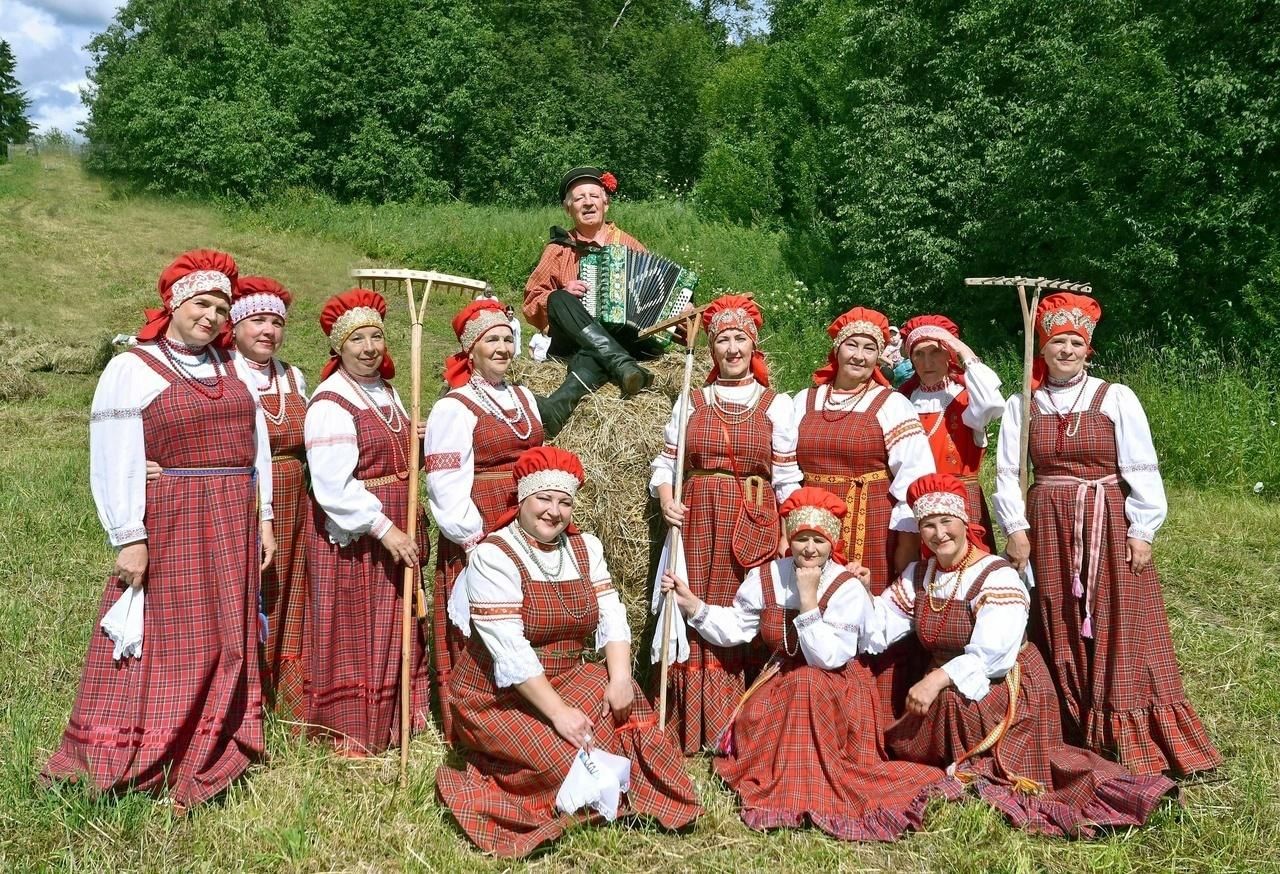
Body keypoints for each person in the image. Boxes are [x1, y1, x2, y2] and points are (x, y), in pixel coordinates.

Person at [43, 249, 274, 811]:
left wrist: (264, 516)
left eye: (222, 307)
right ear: (173, 304)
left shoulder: (230, 368)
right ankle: (145, 746)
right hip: (171, 521)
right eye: (202, 303)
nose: (213, 316)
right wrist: (129, 534)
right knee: (171, 634)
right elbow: (114, 454)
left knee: (225, 634)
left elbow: (256, 445)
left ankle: (212, 735)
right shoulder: (132, 367)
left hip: (231, 515)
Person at [868, 474, 1178, 835]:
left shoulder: (995, 575)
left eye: (947, 522)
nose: (939, 534)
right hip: (951, 678)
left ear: (965, 522)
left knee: (955, 700)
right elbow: (878, 627)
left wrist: (936, 678)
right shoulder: (921, 574)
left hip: (1006, 682)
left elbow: (995, 654)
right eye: (929, 525)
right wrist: (856, 592)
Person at [994, 293, 1220, 776]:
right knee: (1056, 611)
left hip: (1108, 519)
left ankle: (1127, 733)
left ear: (1087, 348)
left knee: (1119, 614)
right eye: (1058, 342)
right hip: (1048, 520)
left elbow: (1141, 466)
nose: (1067, 351)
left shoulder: (1115, 396)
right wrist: (1015, 527)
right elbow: (1009, 471)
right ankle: (1070, 725)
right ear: (1043, 347)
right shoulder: (1022, 403)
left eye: (1076, 342)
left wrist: (1143, 529)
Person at [436, 447, 700, 858]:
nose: (554, 511)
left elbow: (611, 616)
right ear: (522, 499)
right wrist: (560, 715)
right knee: (563, 761)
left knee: (632, 716)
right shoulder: (492, 556)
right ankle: (496, 771)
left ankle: (627, 797)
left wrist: (619, 679)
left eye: (564, 501)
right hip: (497, 695)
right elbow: (511, 652)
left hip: (569, 676)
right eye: (544, 499)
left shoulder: (585, 548)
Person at [660, 488, 950, 841]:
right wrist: (694, 606)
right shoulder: (768, 577)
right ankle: (787, 781)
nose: (810, 549)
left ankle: (805, 787)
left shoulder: (845, 587)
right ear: (791, 539)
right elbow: (738, 626)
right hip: (782, 682)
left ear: (832, 543)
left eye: (819, 540)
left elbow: (825, 658)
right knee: (798, 686)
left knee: (808, 684)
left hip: (837, 688)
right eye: (801, 539)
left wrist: (809, 599)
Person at [650, 295, 801, 754]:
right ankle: (689, 728)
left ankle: (746, 727)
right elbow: (666, 462)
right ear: (712, 350)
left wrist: (786, 530)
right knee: (692, 603)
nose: (732, 349)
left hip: (752, 516)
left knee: (745, 608)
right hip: (696, 514)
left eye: (740, 339)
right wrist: (667, 498)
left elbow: (787, 475)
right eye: (723, 340)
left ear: (754, 346)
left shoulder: (778, 405)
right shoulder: (692, 400)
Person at [792, 306, 934, 724]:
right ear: (835, 350)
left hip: (868, 519)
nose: (859, 355)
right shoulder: (802, 401)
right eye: (851, 344)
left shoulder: (892, 406)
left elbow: (914, 477)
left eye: (869, 347)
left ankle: (866, 712)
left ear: (880, 355)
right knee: (809, 599)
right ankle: (810, 701)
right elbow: (782, 464)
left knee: (864, 611)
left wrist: (905, 545)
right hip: (813, 522)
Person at [303, 289, 430, 756]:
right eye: (358, 339)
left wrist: (411, 435)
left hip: (397, 519)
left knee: (396, 618)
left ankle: (403, 715)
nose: (370, 347)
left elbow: (389, 447)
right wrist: (386, 530)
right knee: (360, 623)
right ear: (338, 347)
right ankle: (354, 728)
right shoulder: (331, 402)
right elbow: (332, 485)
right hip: (361, 532)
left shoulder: (386, 391)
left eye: (376, 336)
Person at [426, 299, 544, 743]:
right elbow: (444, 483)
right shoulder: (453, 408)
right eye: (490, 340)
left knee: (521, 616)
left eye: (507, 339)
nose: (501, 348)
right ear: (470, 351)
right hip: (484, 524)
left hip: (526, 522)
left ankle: (525, 715)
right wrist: (477, 541)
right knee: (483, 620)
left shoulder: (523, 396)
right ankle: (476, 726)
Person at [228, 275, 310, 721]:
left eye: (276, 322)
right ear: (236, 326)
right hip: (240, 496)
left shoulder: (293, 376)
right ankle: (241, 699)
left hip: (296, 494)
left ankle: (284, 698)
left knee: (287, 591)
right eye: (257, 320)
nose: (268, 331)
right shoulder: (222, 371)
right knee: (243, 592)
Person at [524, 166, 657, 438]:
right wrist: (561, 291)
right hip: (571, 340)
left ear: (605, 203)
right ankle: (622, 363)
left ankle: (557, 405)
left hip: (620, 336)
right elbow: (531, 301)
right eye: (579, 198)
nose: (587, 202)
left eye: (594, 196)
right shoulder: (558, 249)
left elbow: (656, 290)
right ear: (568, 208)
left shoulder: (630, 245)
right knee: (559, 298)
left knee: (596, 349)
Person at [897, 314, 1003, 552]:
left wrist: (963, 350)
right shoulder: (903, 401)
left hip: (963, 502)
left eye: (935, 351)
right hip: (916, 504)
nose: (927, 362)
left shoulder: (966, 398)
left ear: (949, 354)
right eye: (919, 354)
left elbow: (991, 405)